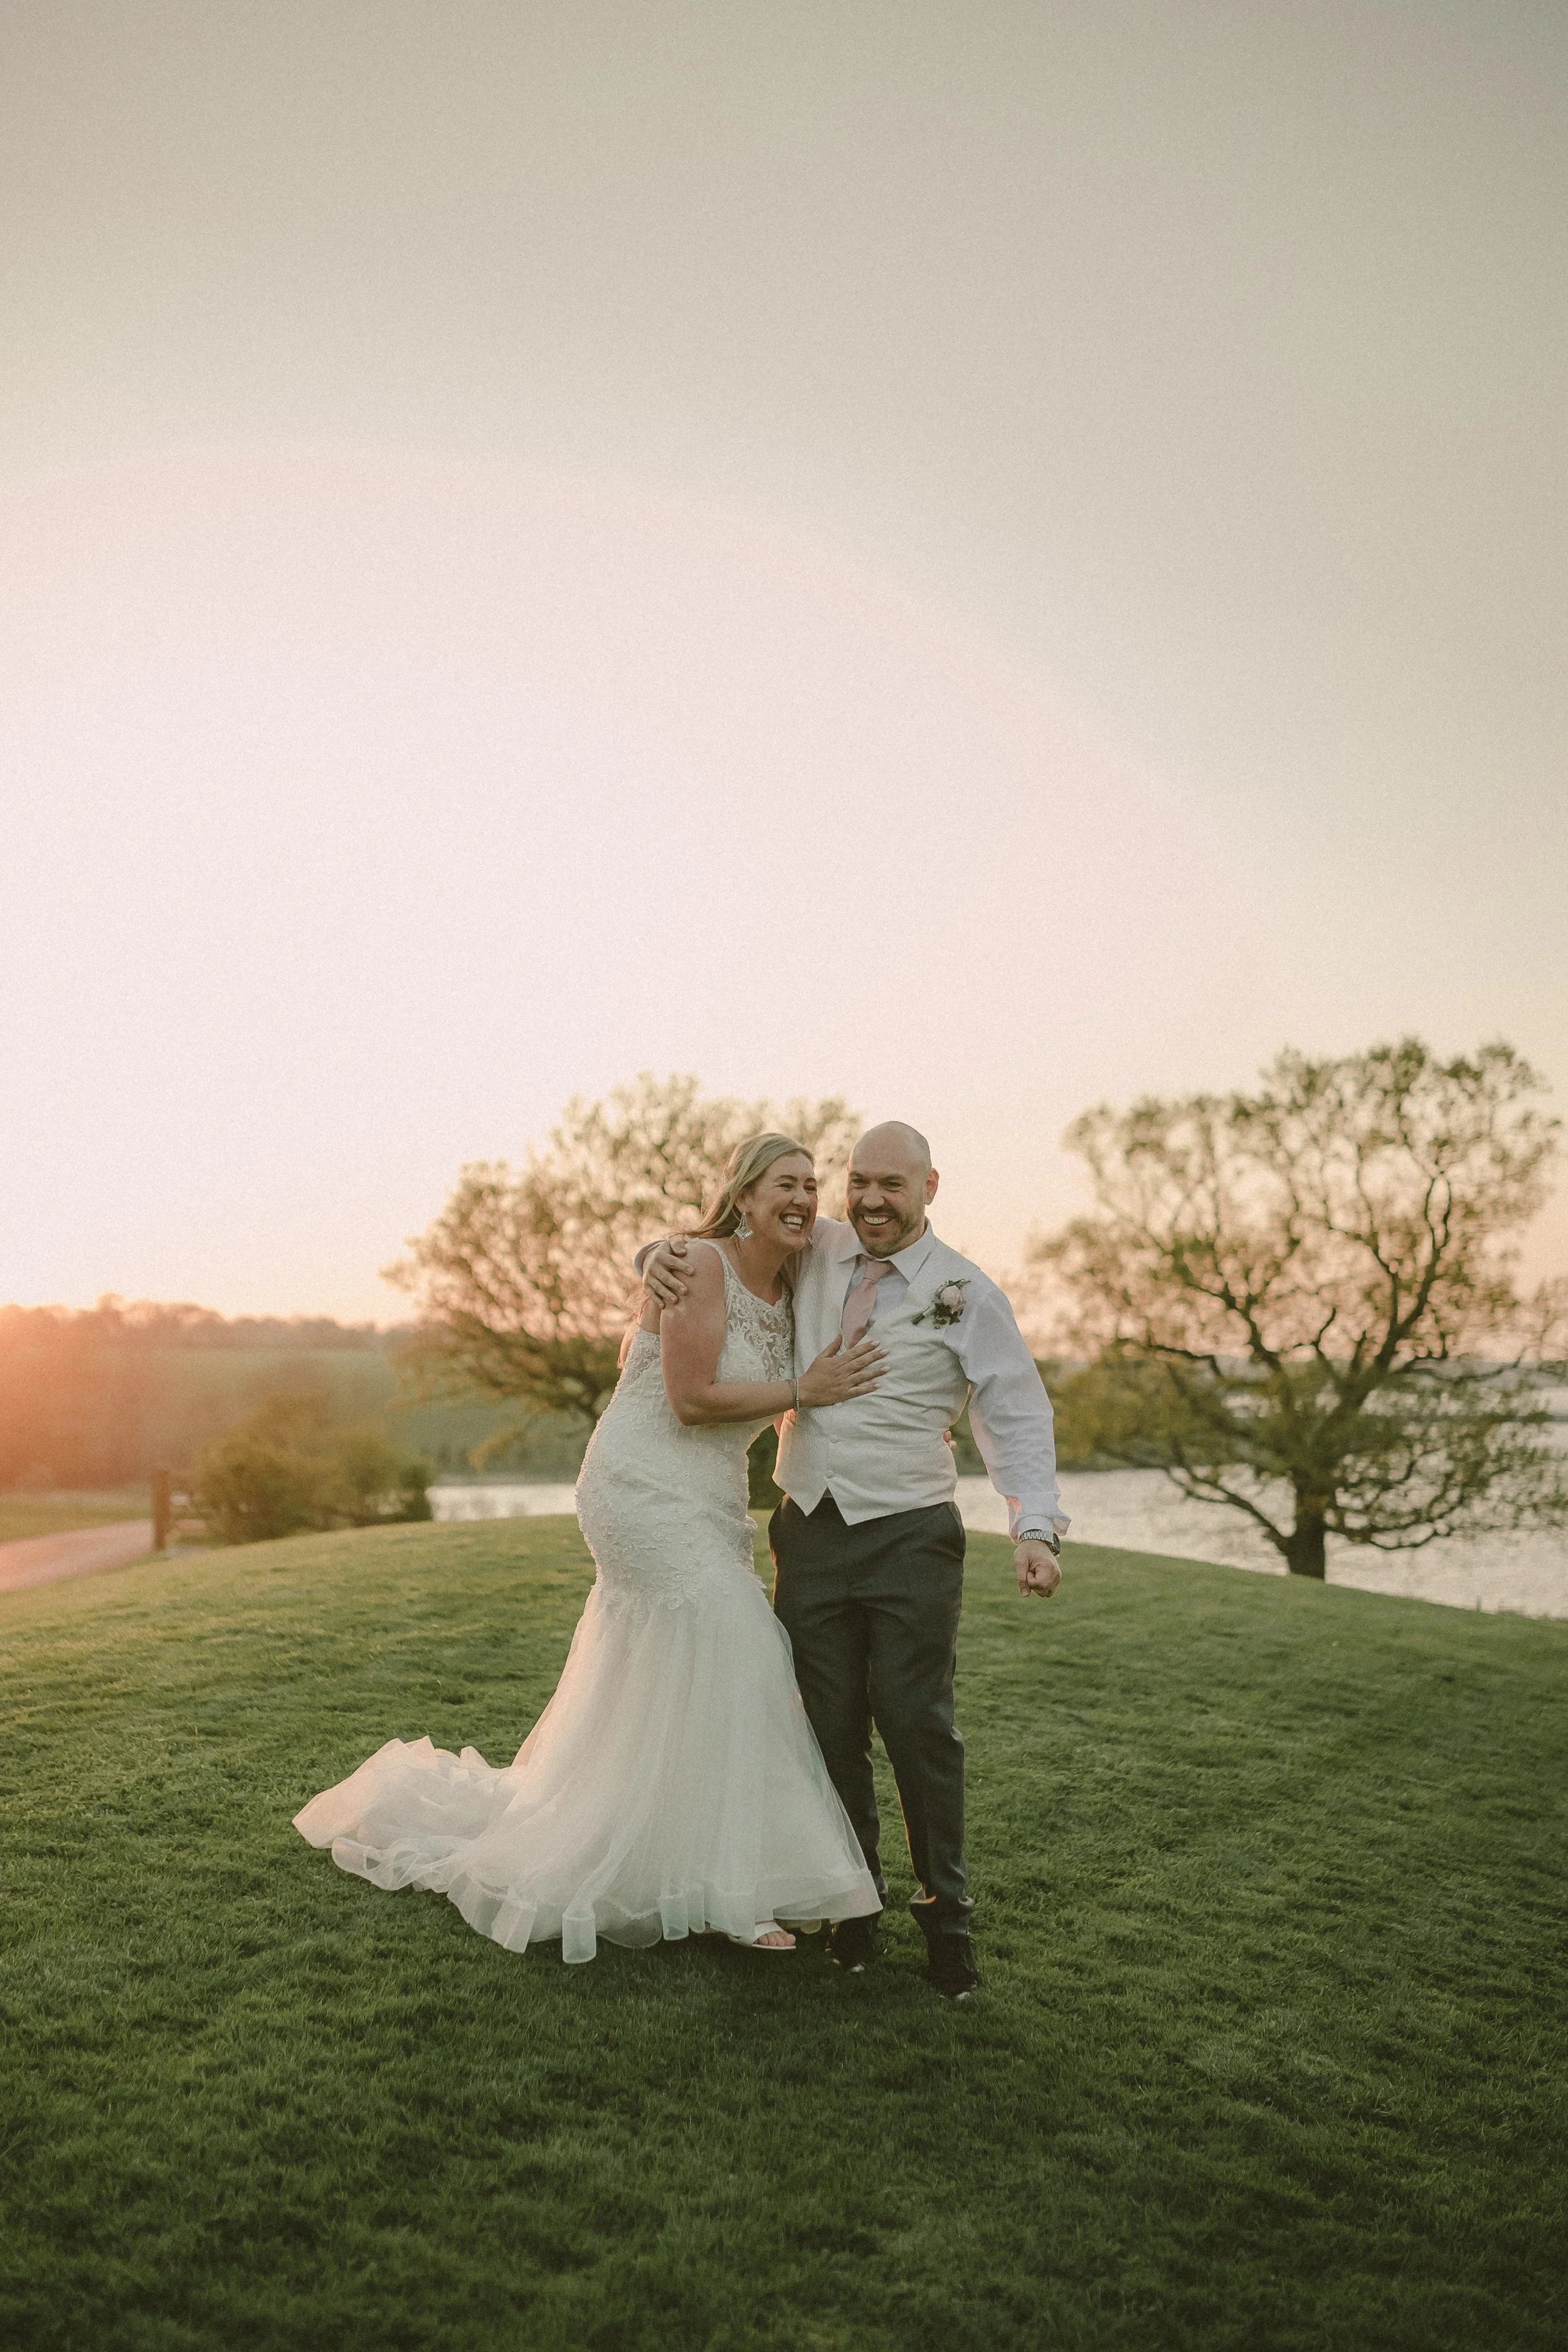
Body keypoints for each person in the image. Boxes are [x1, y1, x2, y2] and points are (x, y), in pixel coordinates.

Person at [294, 1133, 882, 1962]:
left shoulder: (794, 1281)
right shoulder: (701, 1266)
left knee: (687, 1668)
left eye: (811, 1187)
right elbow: (688, 1398)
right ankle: (736, 1888)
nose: (802, 1198)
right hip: (639, 1485)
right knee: (744, 1646)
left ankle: (693, 1856)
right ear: (743, 1197)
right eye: (785, 1183)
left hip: (710, 1501)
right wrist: (799, 1387)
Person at [640, 1120, 1065, 2002]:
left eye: (892, 1185)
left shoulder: (967, 1292)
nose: (870, 1200)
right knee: (826, 1727)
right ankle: (852, 1907)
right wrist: (656, 1251)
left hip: (911, 1532)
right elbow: (726, 1241)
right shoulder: (819, 1247)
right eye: (859, 1181)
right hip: (811, 1528)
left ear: (930, 1188)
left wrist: (1035, 1526)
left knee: (917, 1725)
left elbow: (1014, 1411)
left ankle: (947, 1921)